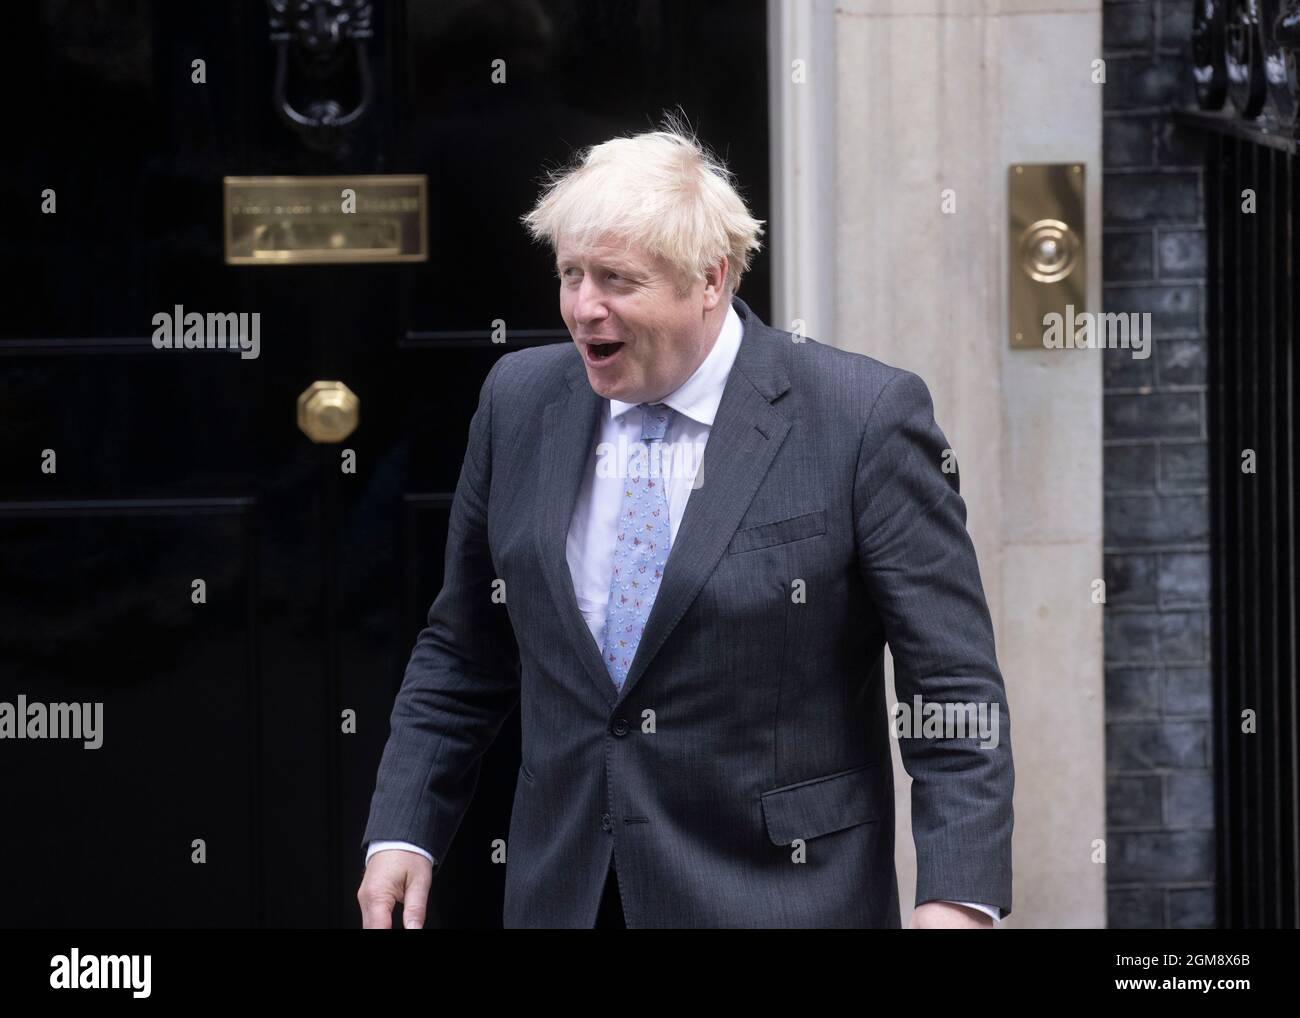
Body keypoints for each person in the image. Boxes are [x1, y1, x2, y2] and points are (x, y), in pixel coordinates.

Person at [357, 119, 1013, 929]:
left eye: (616, 280)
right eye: (569, 274)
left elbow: (951, 690)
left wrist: (956, 902)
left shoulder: (861, 420)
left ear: (711, 279)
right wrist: (403, 832)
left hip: (782, 898)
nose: (581, 308)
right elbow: (463, 649)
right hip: (567, 895)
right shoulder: (518, 401)